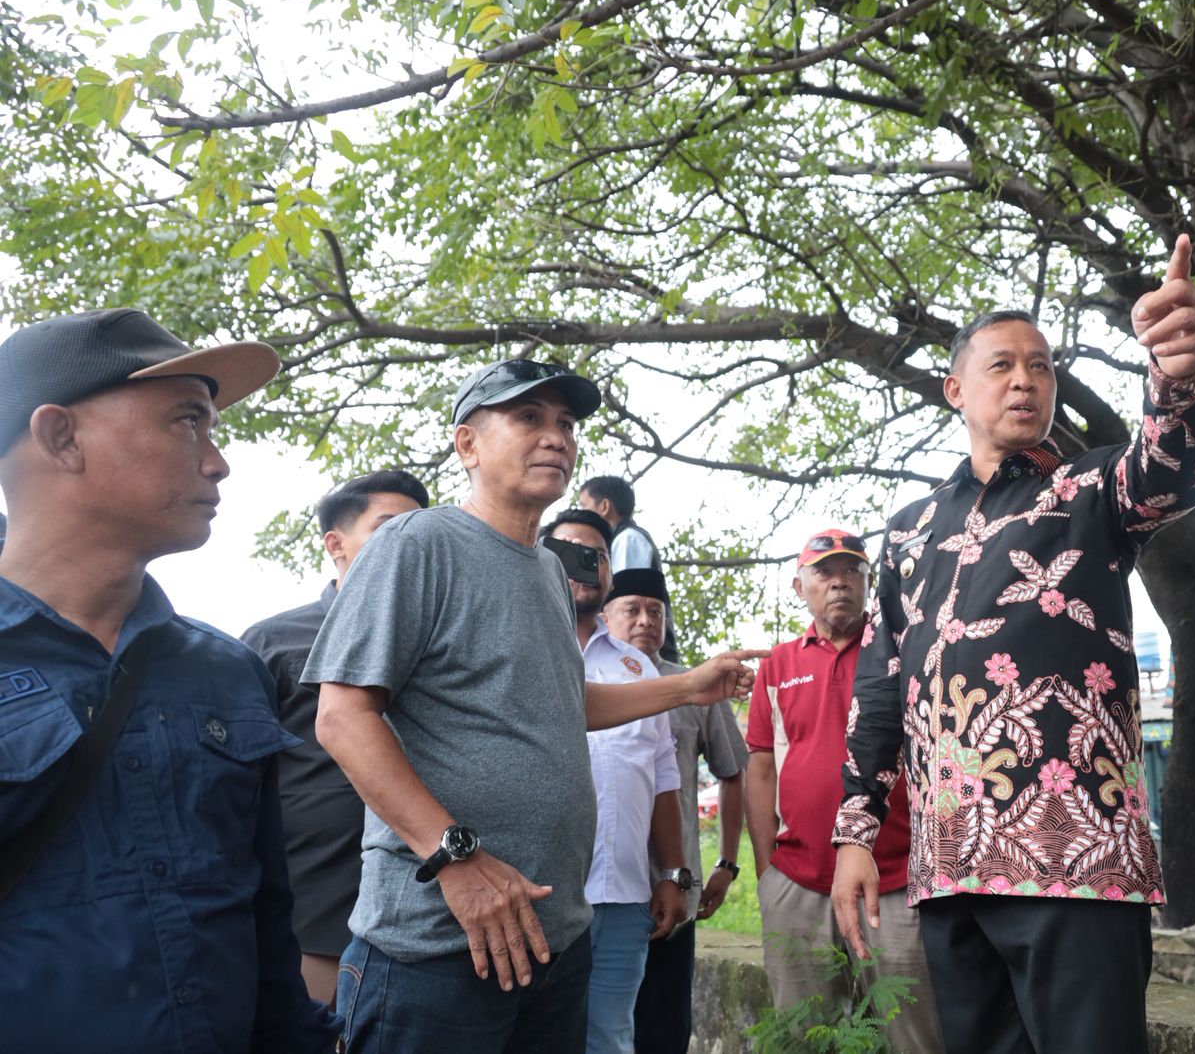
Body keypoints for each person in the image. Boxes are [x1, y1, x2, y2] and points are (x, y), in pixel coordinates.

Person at [301, 357, 761, 1054]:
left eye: (566, 423)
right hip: (438, 945)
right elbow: (341, 717)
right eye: (528, 418)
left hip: (555, 939)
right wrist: (456, 859)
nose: (556, 437)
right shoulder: (416, 542)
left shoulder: (547, 568)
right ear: (467, 444)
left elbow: (561, 703)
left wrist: (685, 686)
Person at [831, 243, 1195, 1054]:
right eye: (1003, 365)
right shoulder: (907, 532)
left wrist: (1179, 377)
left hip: (1076, 859)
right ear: (955, 390)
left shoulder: (1089, 490)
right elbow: (880, 691)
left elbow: (1171, 470)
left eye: (1041, 366)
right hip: (949, 867)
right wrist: (855, 836)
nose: (1025, 380)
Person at [0, 308, 339, 1051]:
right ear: (61, 437)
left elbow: (266, 934)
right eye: (188, 421)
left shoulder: (229, 673)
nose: (217, 461)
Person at [747, 529, 942, 1053]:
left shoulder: (902, 655)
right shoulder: (776, 666)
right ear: (799, 585)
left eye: (852, 571)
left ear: (869, 582)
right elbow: (761, 768)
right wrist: (768, 870)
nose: (839, 583)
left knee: (917, 1034)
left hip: (896, 879)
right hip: (798, 882)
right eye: (824, 573)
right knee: (804, 1035)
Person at [241, 469, 429, 1005]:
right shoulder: (273, 642)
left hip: (424, 907)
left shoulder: (443, 646)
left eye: (421, 532)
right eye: (389, 529)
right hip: (310, 910)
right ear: (336, 542)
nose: (406, 547)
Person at [539, 509, 690, 1054]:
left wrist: (672, 873)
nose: (586, 563)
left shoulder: (637, 669)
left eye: (597, 555)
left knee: (610, 1038)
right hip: (537, 897)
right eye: (569, 550)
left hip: (623, 898)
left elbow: (663, 777)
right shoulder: (515, 647)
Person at [607, 567, 750, 1054]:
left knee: (664, 1031)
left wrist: (727, 866)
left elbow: (733, 772)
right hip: (596, 896)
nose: (645, 620)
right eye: (631, 609)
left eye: (655, 611)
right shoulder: (579, 676)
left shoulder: (696, 685)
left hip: (673, 890)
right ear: (605, 615)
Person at [578, 474, 678, 662]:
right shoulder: (621, 539)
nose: (581, 512)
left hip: (644, 657)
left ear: (604, 506)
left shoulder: (628, 540)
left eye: (584, 505)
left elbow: (625, 599)